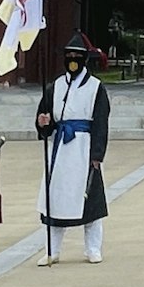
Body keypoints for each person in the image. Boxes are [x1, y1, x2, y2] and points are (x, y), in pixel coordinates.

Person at [35, 30, 110, 265]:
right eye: (69, 56)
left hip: (84, 148)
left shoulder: (96, 88)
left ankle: (93, 248)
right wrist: (44, 124)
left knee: (91, 201)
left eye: (77, 56)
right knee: (55, 199)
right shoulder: (55, 86)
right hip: (60, 149)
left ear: (85, 58)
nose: (72, 61)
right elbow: (44, 115)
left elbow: (101, 122)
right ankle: (52, 250)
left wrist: (97, 154)